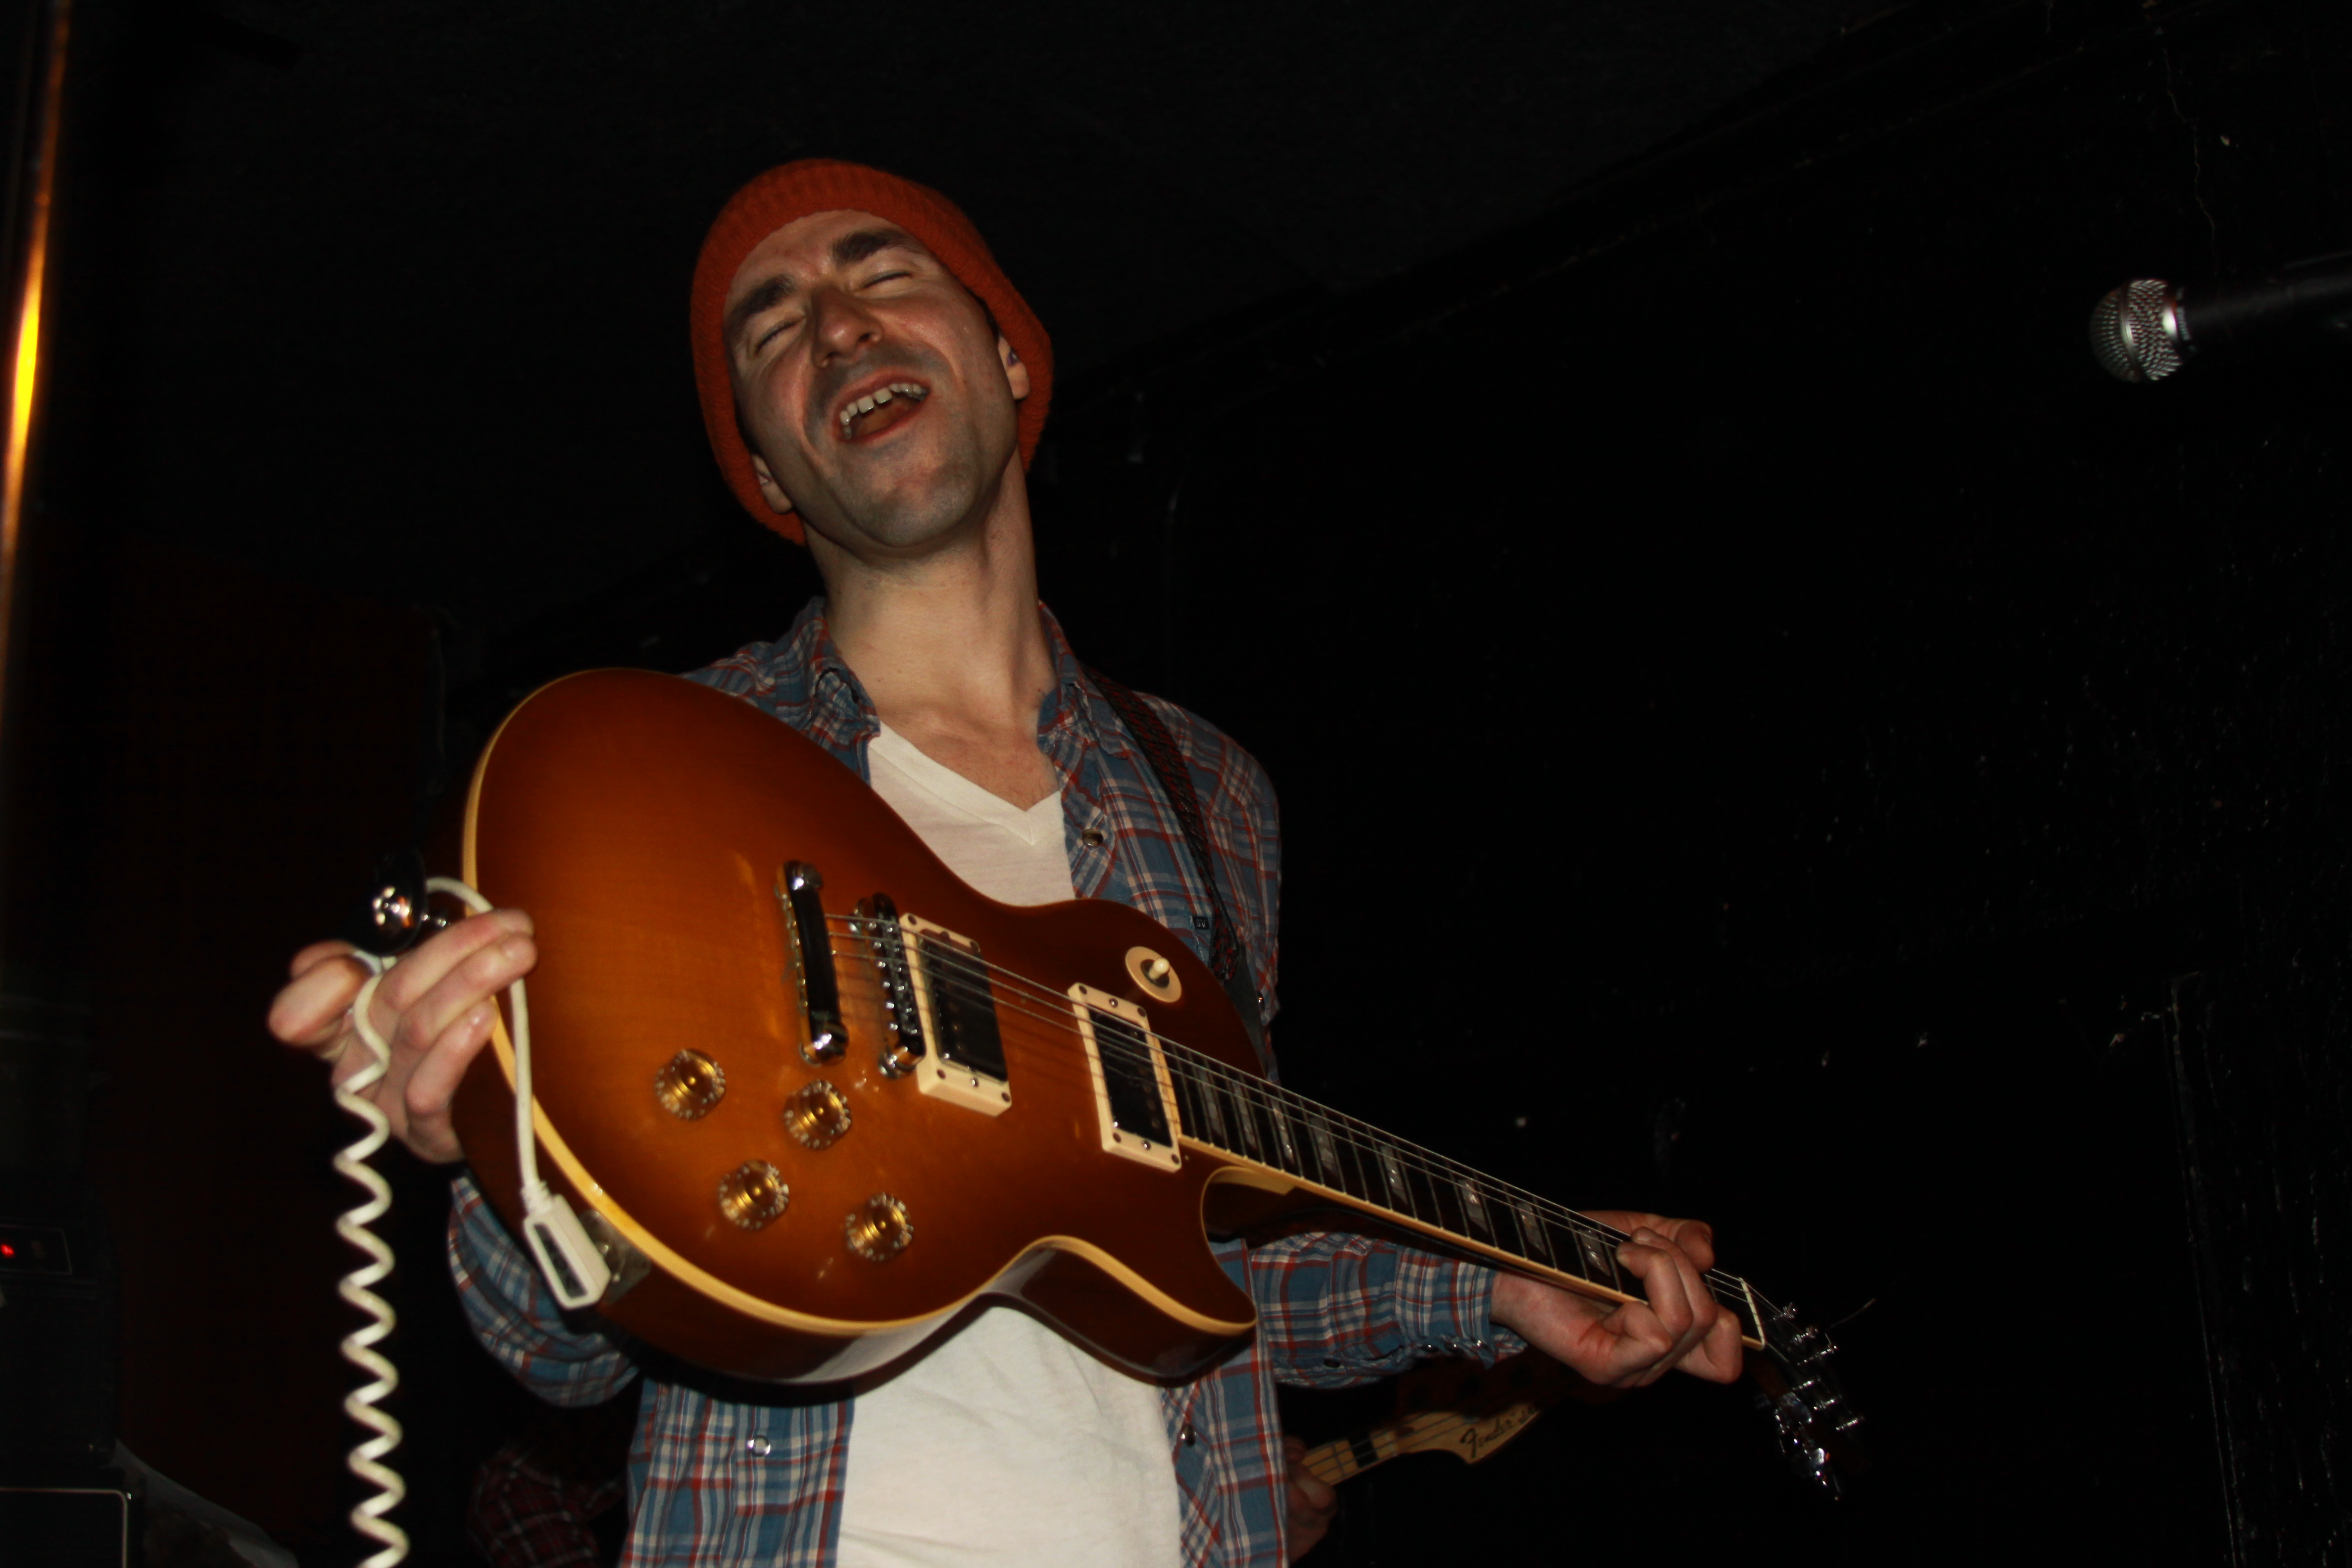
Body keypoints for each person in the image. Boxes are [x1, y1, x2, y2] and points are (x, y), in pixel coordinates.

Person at [268, 160, 1741, 1567]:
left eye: (883, 275)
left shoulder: (1210, 791)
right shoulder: (653, 771)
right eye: (773, 329)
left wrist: (1500, 1283)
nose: (838, 326)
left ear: (1012, 358)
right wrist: (496, 1136)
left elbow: (1201, 1257)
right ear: (767, 467)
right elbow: (565, 1358)